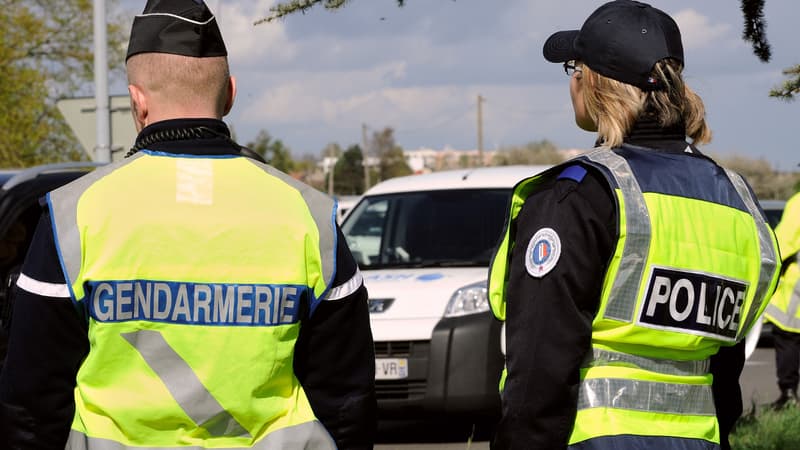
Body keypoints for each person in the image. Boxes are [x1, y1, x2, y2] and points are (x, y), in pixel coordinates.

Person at [0, 1, 376, 448]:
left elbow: (31, 404)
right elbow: (348, 400)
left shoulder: (72, 215)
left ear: (137, 104)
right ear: (230, 94)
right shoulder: (309, 215)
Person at [487, 1, 781, 449]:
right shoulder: (737, 201)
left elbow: (539, 372)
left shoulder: (578, 196)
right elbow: (725, 369)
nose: (571, 82)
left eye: (574, 68)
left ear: (594, 82)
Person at [764, 189, 800, 408]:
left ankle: (788, 394)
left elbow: (781, 243)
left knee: (787, 336)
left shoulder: (798, 203)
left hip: (796, 285)